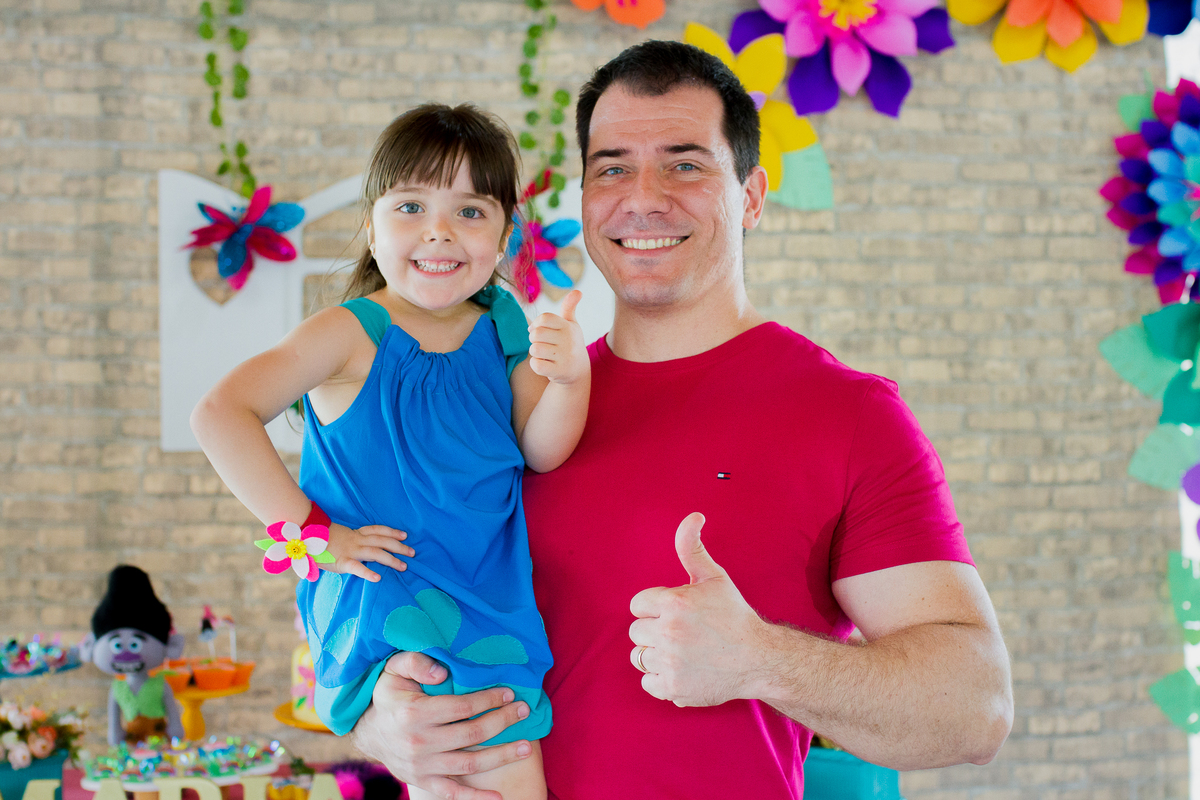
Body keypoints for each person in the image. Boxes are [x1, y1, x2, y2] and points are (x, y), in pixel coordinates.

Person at [352, 42, 1014, 800]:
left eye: (685, 164)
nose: (643, 198)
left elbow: (976, 711)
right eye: (612, 169)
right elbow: (376, 597)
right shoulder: (509, 407)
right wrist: (377, 726)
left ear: (752, 197)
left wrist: (760, 659)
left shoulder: (850, 416)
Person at [190, 104, 592, 800]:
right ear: (372, 227)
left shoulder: (504, 331)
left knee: (502, 757)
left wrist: (570, 379)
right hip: (391, 591)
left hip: (485, 596)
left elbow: (543, 449)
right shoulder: (348, 333)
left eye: (470, 211)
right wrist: (314, 533)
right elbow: (221, 413)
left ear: (504, 238)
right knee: (482, 761)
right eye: (411, 207)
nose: (439, 230)